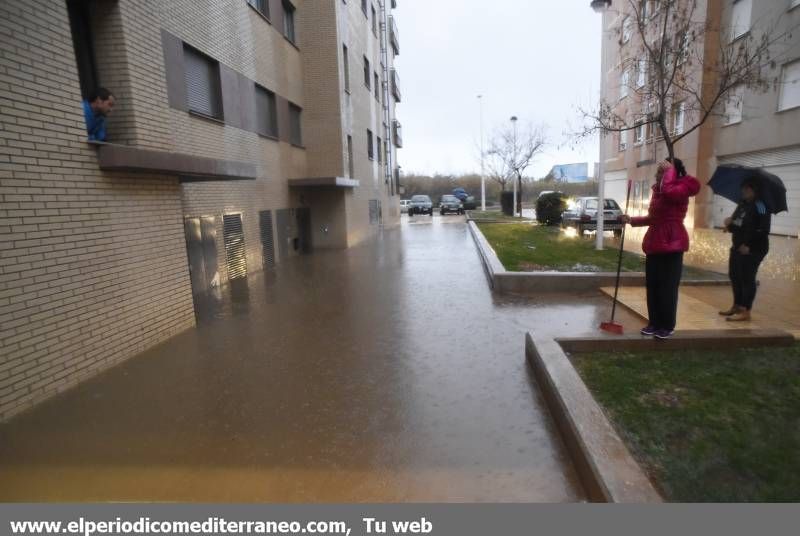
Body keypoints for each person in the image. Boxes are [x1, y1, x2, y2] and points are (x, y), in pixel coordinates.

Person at [621, 158, 701, 339]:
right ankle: (654, 322)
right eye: (659, 171)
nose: (657, 174)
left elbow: (670, 193)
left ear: (673, 172)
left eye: (662, 170)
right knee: (653, 286)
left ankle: (667, 325)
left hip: (672, 243)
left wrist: (669, 172)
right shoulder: (658, 190)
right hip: (654, 242)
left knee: (668, 287)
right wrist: (631, 220)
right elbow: (653, 218)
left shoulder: (681, 187)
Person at [719, 178, 771, 322]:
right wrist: (729, 224)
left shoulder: (761, 206)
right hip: (737, 247)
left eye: (747, 189)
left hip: (753, 249)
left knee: (747, 279)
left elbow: (763, 229)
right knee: (735, 276)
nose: (743, 191)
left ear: (755, 190)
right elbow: (736, 224)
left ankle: (745, 310)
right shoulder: (742, 204)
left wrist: (749, 245)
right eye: (743, 189)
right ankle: (736, 305)